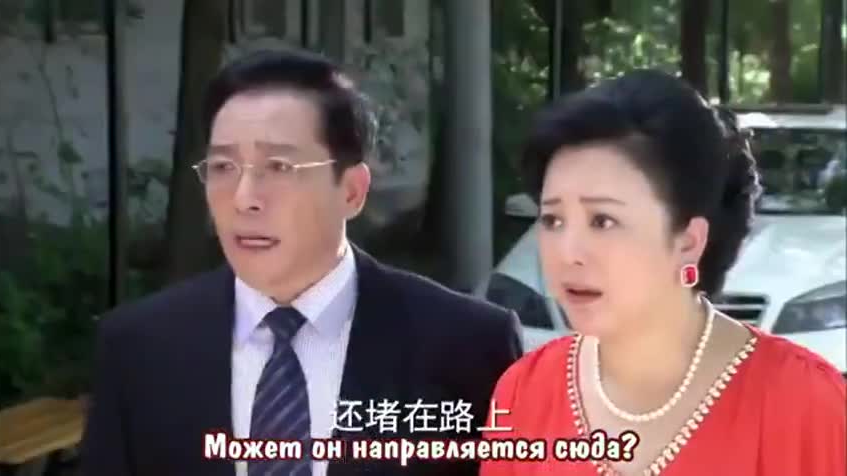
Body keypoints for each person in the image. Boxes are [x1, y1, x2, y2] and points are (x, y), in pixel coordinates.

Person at [81, 49, 523, 476]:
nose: (244, 199)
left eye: (279, 167)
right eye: (223, 167)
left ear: (352, 190)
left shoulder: (469, 345)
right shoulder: (139, 348)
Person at [479, 70, 846, 475]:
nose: (568, 253)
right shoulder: (526, 393)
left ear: (688, 242)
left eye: (602, 220)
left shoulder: (809, 406)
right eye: (553, 220)